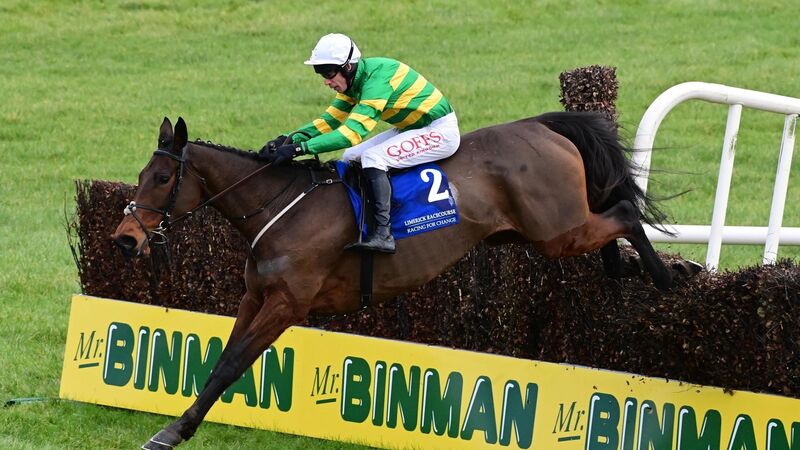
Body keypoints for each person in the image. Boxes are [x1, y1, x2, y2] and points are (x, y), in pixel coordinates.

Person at [261, 33, 460, 254]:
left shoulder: (377, 80)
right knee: (351, 156)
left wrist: (299, 149)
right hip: (412, 128)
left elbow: (350, 134)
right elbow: (328, 122)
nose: (326, 81)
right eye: (321, 74)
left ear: (348, 67)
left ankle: (383, 235)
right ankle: (361, 218)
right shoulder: (354, 82)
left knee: (372, 157)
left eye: (328, 73)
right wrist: (287, 139)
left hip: (439, 131)